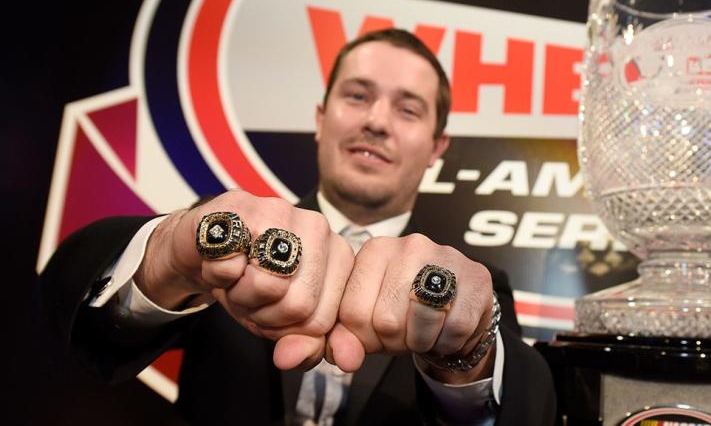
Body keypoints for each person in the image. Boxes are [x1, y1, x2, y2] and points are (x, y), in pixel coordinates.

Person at [40, 29, 556, 425]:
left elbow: (525, 412)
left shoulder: (475, 283)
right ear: (320, 117)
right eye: (357, 96)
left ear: (437, 148)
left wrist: (465, 352)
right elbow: (72, 309)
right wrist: (169, 252)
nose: (376, 121)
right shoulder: (223, 235)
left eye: (407, 109)